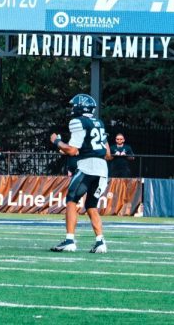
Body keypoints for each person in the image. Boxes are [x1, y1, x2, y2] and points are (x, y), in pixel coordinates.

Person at [50, 93, 110, 254]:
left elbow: (72, 150)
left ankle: (69, 240)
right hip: (103, 169)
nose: (72, 109)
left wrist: (56, 141)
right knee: (91, 205)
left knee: (71, 200)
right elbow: (108, 153)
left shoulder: (78, 121)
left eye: (73, 106)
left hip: (88, 167)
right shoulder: (99, 123)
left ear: (80, 107)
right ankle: (100, 242)